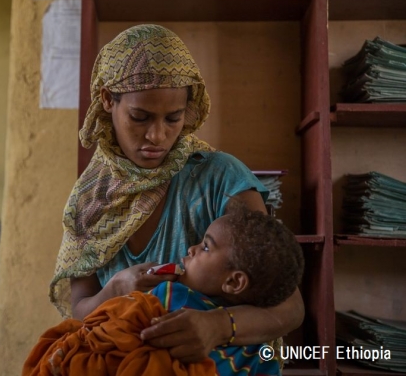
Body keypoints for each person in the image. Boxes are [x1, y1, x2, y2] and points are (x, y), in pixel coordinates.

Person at [49, 24, 304, 363]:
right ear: (108, 100)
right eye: (140, 117)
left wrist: (217, 326)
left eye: (174, 118)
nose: (157, 135)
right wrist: (115, 290)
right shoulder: (91, 202)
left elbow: (289, 307)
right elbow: (78, 315)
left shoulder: (220, 179)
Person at [26, 206, 304, 375]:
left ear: (233, 283)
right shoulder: (258, 350)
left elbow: (101, 332)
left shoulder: (171, 296)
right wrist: (118, 286)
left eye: (205, 247)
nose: (192, 249)